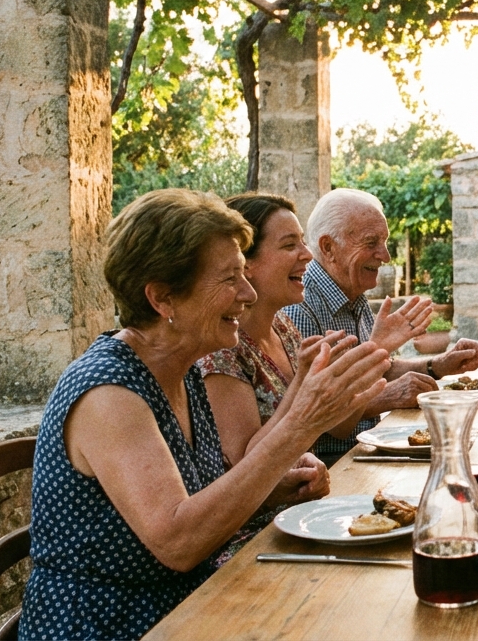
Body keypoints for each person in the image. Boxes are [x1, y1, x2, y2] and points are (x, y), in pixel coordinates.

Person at [21, 189, 390, 640]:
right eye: (229, 278)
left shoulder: (180, 370)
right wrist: (302, 422)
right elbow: (178, 543)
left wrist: (272, 489)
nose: (248, 292)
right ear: (163, 298)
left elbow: (202, 495)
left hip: (190, 603)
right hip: (117, 625)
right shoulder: (107, 392)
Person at [201, 193, 429, 465]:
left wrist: (370, 357)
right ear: (245, 263)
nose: (308, 254)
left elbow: (339, 424)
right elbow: (244, 471)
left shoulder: (282, 327)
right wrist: (373, 352)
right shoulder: (223, 350)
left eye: (302, 242)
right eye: (289, 245)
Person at [284, 188, 478, 461]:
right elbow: (317, 415)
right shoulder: (301, 306)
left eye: (385, 241)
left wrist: (437, 365)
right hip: (333, 462)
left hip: (369, 449)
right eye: (371, 242)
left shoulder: (350, 290)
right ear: (328, 247)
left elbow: (382, 366)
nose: (386, 255)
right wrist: (386, 397)